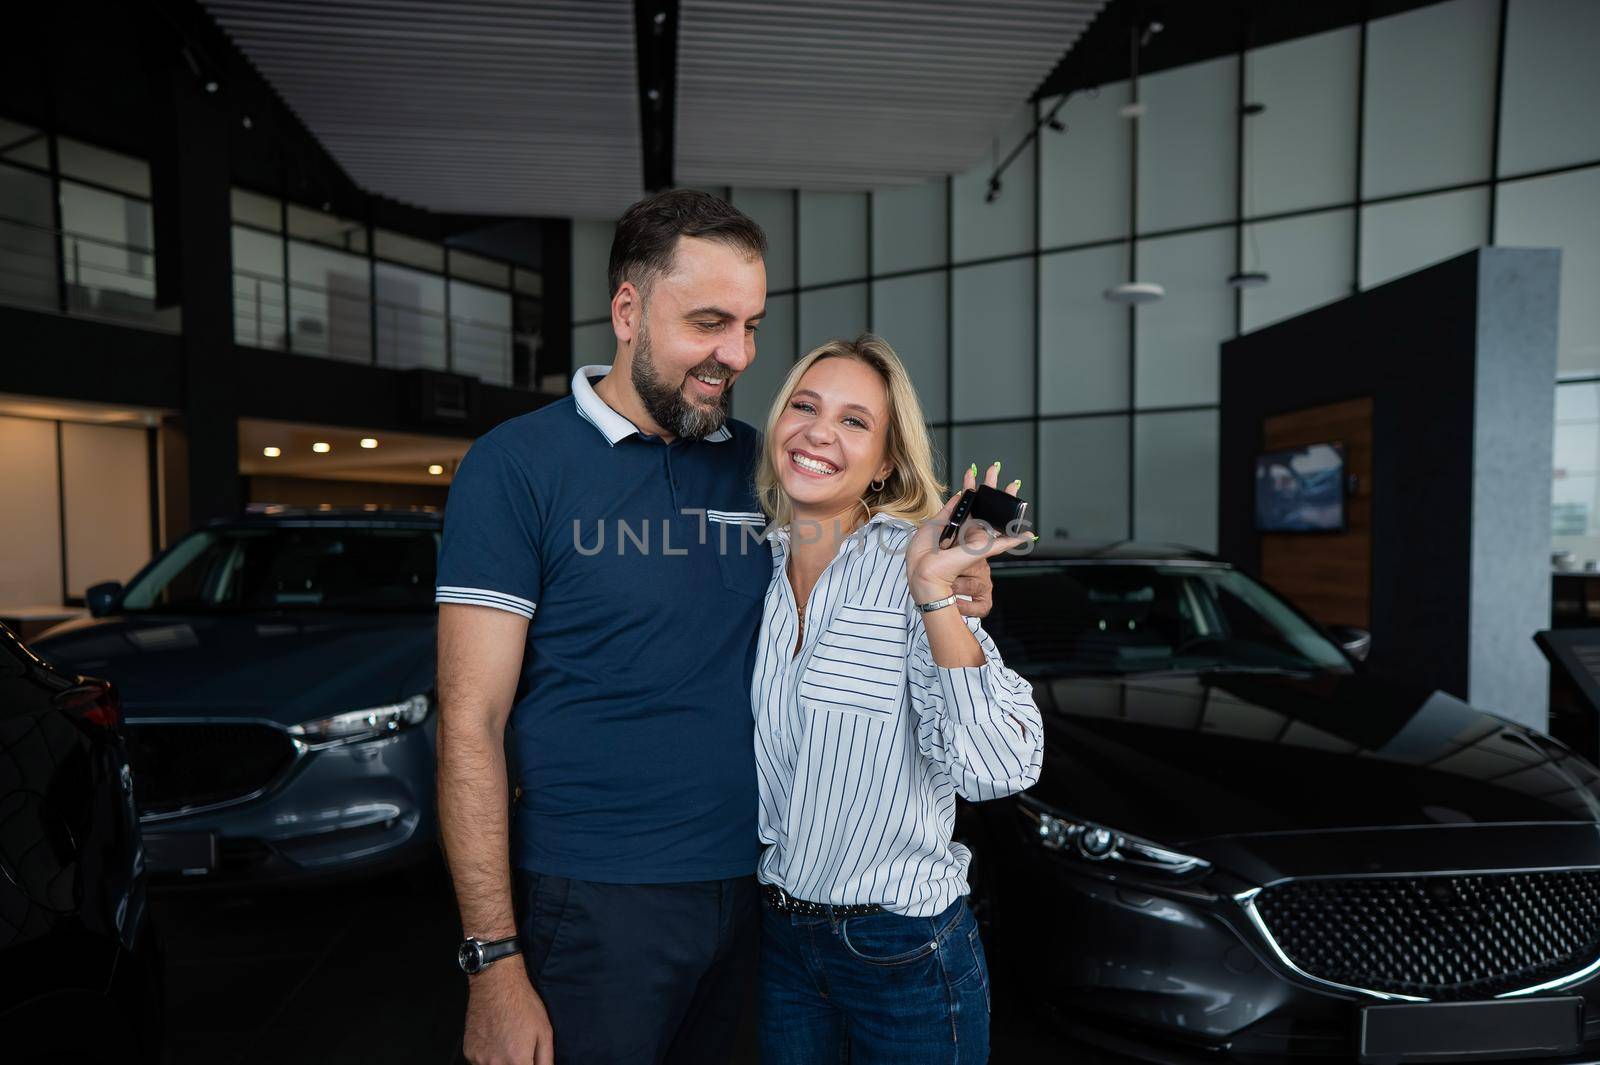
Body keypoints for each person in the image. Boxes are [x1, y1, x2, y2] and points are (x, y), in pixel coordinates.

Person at [433, 190, 995, 1065]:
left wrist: (952, 574)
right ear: (627, 310)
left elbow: (861, 537)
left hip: (756, 904)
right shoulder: (517, 466)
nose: (735, 355)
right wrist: (492, 962)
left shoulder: (754, 469)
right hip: (596, 902)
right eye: (708, 322)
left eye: (750, 325)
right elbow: (470, 724)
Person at [751, 336, 1044, 1064]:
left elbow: (1000, 768)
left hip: (905, 951)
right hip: (782, 940)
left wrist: (935, 596)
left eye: (855, 421)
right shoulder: (750, 564)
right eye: (805, 405)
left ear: (885, 463)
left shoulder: (913, 565)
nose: (819, 430)